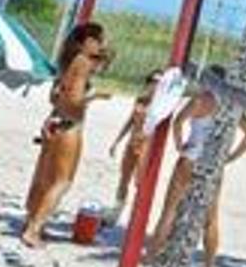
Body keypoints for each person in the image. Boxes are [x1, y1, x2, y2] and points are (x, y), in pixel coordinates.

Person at [142, 69, 246, 267]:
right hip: (213, 164)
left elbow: (178, 122)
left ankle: (150, 258)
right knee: (210, 219)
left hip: (190, 158)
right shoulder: (233, 105)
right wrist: (230, 157)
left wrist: (179, 145)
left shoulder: (199, 100)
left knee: (170, 210)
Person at [20, 22, 111, 247]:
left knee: (43, 178)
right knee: (63, 181)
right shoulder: (83, 63)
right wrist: (95, 97)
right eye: (97, 40)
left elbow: (54, 97)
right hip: (69, 126)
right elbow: (74, 101)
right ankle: (34, 229)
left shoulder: (68, 62)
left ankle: (30, 221)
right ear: (85, 42)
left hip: (55, 121)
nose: (101, 44)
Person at [105, 70, 162, 224]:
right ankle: (116, 212)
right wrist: (117, 141)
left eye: (158, 82)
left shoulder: (160, 106)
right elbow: (130, 121)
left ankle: (136, 217)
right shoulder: (140, 100)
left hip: (146, 146)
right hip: (132, 143)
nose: (154, 84)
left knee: (140, 182)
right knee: (124, 179)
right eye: (152, 81)